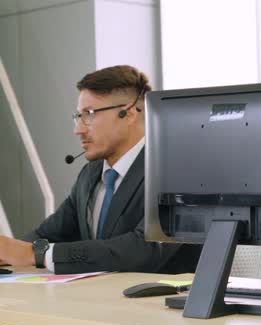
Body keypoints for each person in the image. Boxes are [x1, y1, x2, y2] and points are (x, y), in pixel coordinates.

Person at [0, 65, 201, 274]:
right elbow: (48, 234)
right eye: (78, 116)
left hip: (161, 302)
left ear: (129, 113)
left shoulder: (180, 171)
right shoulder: (90, 174)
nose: (78, 129)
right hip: (100, 299)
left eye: (89, 114)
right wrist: (7, 253)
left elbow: (145, 249)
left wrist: (38, 255)